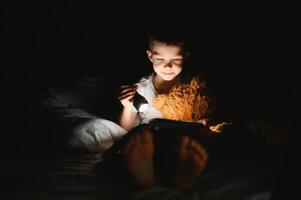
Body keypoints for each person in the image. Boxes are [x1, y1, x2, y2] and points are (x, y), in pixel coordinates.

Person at [118, 24, 202, 131]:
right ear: (150, 56)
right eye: (160, 59)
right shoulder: (141, 89)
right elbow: (124, 129)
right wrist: (127, 106)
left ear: (185, 57)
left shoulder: (192, 85)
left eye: (176, 59)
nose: (168, 66)